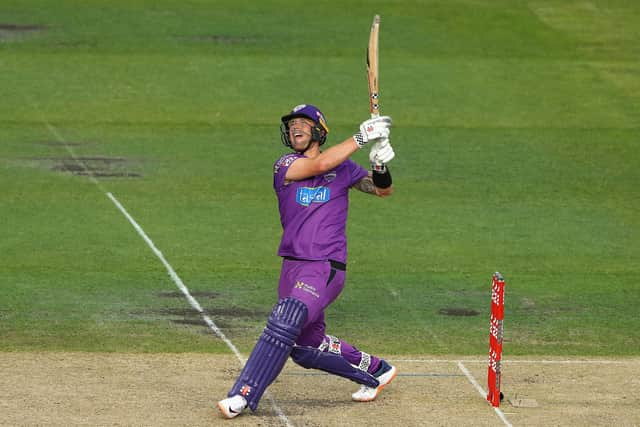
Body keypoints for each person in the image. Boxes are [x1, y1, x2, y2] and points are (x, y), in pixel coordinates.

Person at [217, 104, 397, 419]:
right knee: (303, 347)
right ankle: (375, 371)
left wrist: (380, 163)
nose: (295, 128)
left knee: (286, 317)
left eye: (303, 123)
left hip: (324, 265)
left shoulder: (344, 168)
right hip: (292, 266)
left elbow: (383, 191)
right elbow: (319, 165)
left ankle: (243, 394)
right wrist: (362, 136)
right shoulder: (285, 165)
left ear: (319, 130)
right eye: (291, 125)